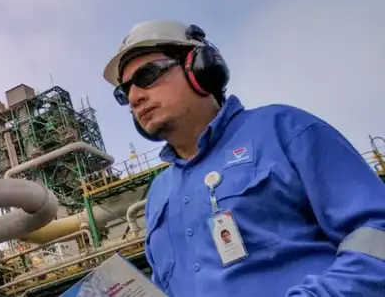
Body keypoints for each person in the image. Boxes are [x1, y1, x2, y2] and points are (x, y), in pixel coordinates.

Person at [103, 19, 385, 296]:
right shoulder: (158, 195)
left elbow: (376, 233)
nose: (134, 97)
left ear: (200, 68)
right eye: (124, 91)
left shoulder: (285, 131)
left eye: (146, 76)